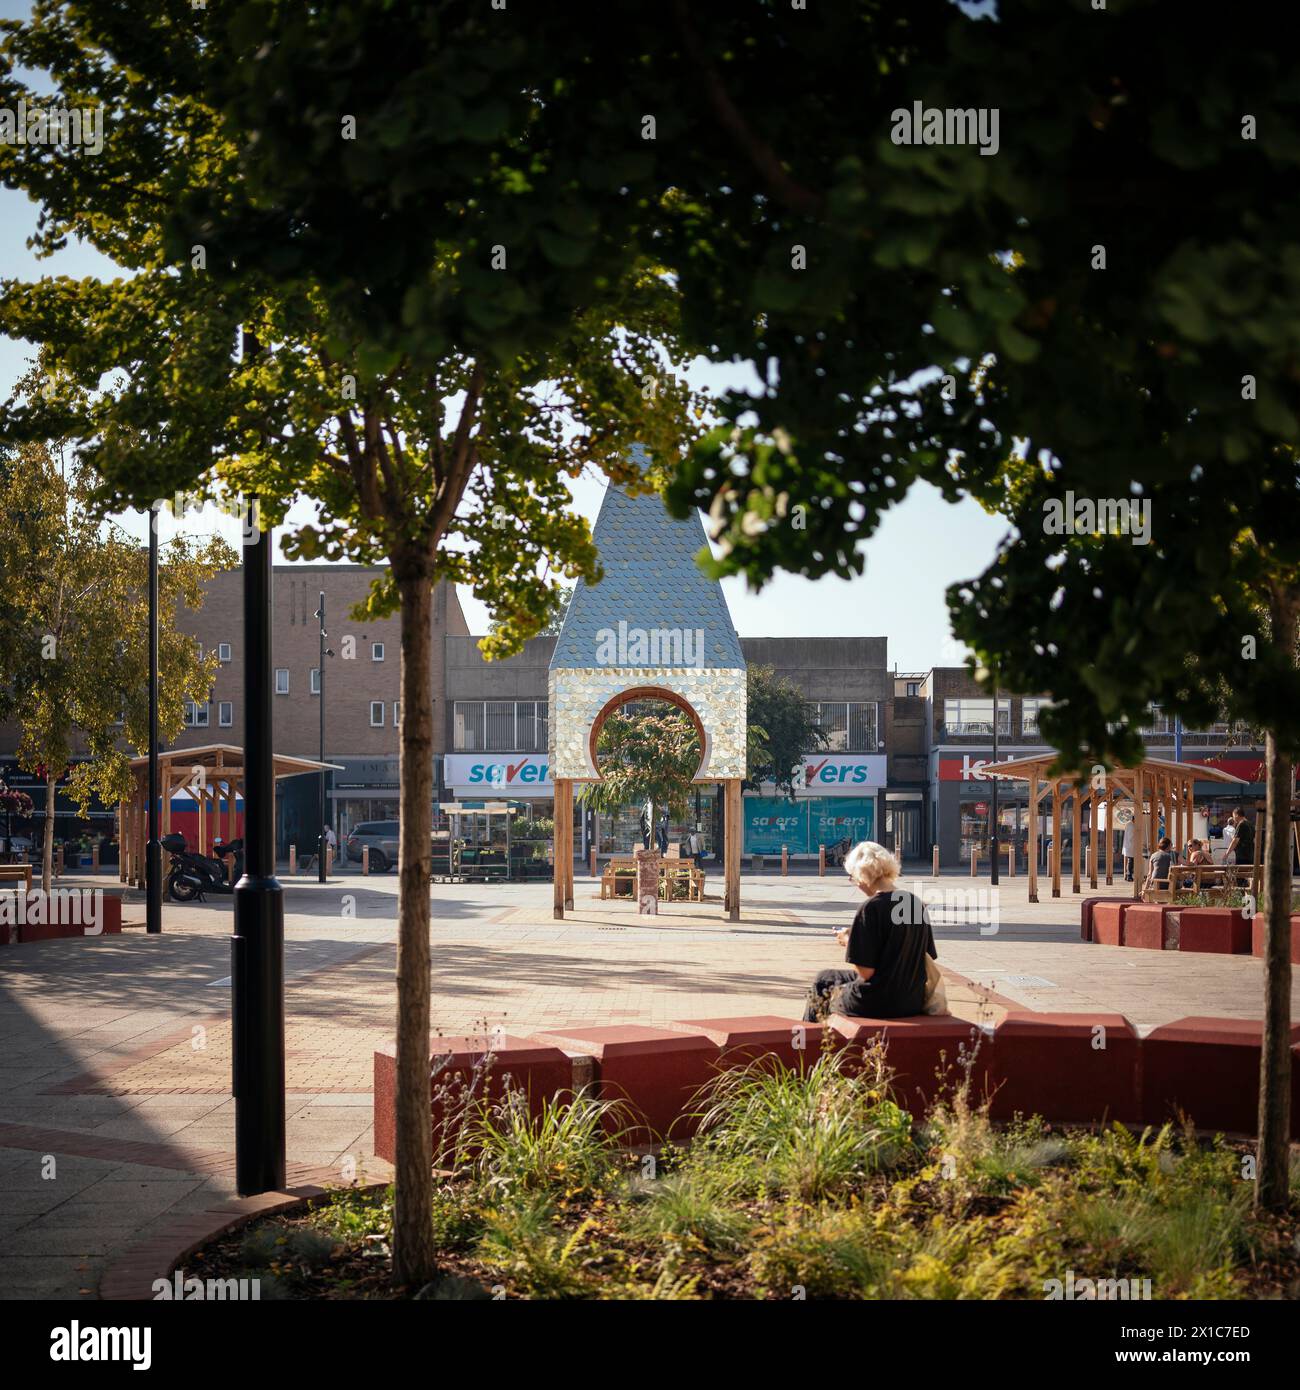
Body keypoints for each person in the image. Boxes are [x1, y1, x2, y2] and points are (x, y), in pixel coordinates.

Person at [803, 841, 937, 1022]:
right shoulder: (915, 903)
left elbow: (865, 972)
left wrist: (849, 941)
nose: (855, 883)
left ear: (862, 874)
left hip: (878, 999)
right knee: (825, 977)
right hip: (912, 997)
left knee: (822, 989)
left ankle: (809, 1042)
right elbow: (927, 955)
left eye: (852, 877)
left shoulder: (871, 908)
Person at [1121, 815, 1136, 881]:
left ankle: (1128, 875)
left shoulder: (1129, 824)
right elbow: (1131, 836)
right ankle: (1129, 875)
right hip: (1131, 846)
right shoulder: (1131, 825)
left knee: (1130, 861)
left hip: (1129, 846)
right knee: (1131, 861)